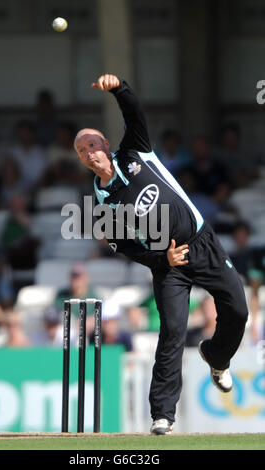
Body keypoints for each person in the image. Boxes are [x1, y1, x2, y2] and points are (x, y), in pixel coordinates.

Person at [74, 74, 249, 435]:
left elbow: (135, 114)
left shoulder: (135, 152)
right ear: (80, 160)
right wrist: (163, 261)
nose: (90, 153)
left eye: (93, 144)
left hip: (201, 242)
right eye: (82, 150)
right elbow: (126, 248)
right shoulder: (103, 204)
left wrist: (118, 88)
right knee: (171, 331)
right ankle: (163, 415)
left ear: (105, 143)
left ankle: (217, 356)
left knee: (238, 309)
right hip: (168, 264)